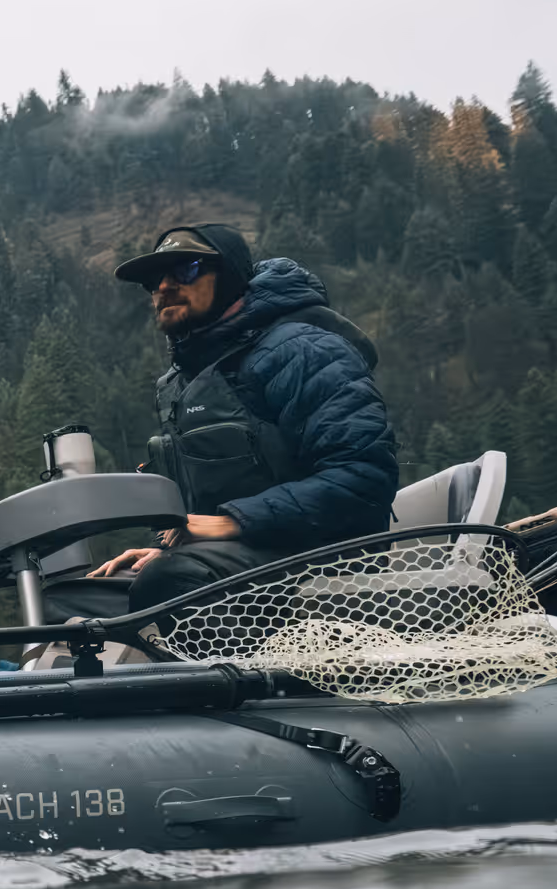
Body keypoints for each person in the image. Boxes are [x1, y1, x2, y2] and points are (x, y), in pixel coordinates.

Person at [54, 223, 397, 619]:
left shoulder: (303, 350)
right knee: (68, 603)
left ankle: (226, 682)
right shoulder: (181, 381)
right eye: (153, 279)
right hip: (239, 560)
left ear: (232, 276)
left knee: (170, 582)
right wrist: (174, 547)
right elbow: (209, 513)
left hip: (321, 561)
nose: (164, 286)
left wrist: (232, 523)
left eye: (186, 270)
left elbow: (364, 478)